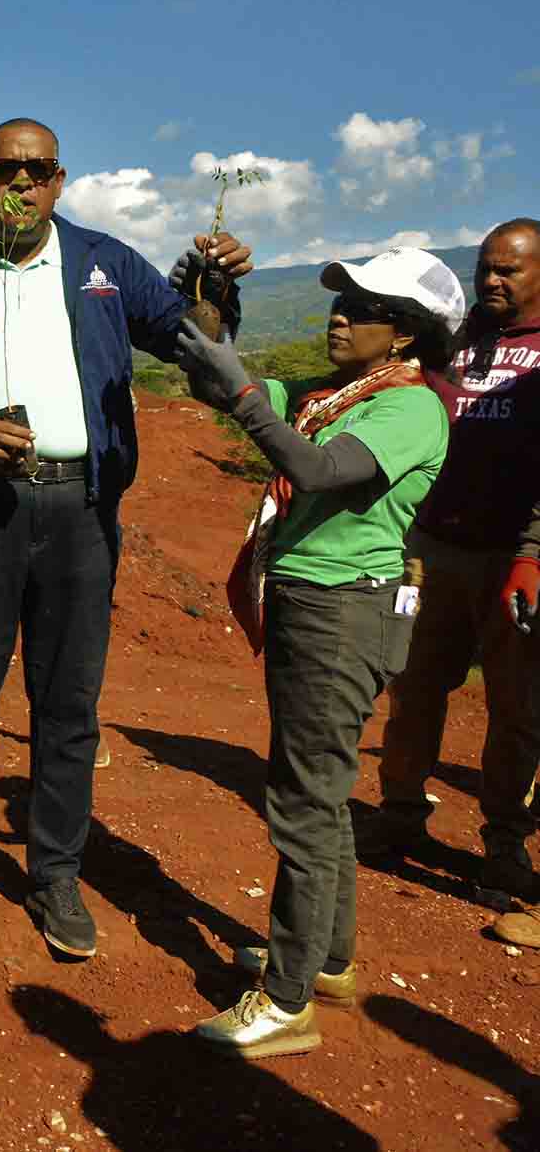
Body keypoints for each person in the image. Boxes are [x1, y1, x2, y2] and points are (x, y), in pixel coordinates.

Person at [0, 117, 252, 953]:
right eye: (7, 170)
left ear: (61, 180)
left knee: (68, 701)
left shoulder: (104, 264)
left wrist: (216, 289)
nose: (23, 183)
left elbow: (193, 342)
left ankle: (57, 877)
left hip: (80, 509)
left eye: (38, 170)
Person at [174, 247, 460, 1057]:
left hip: (343, 612)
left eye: (363, 306)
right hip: (312, 603)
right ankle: (325, 958)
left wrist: (239, 388)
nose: (340, 314)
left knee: (303, 800)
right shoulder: (338, 393)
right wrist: (210, 313)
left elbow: (314, 465)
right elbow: (214, 383)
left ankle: (287, 998)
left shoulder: (411, 409)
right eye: (342, 299)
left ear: (404, 333)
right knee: (317, 791)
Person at [355, 221, 540, 904]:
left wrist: (534, 553)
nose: (492, 280)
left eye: (509, 271)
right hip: (431, 548)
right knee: (412, 686)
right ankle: (400, 813)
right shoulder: (458, 342)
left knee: (514, 705)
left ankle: (504, 841)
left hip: (511, 554)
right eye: (486, 268)